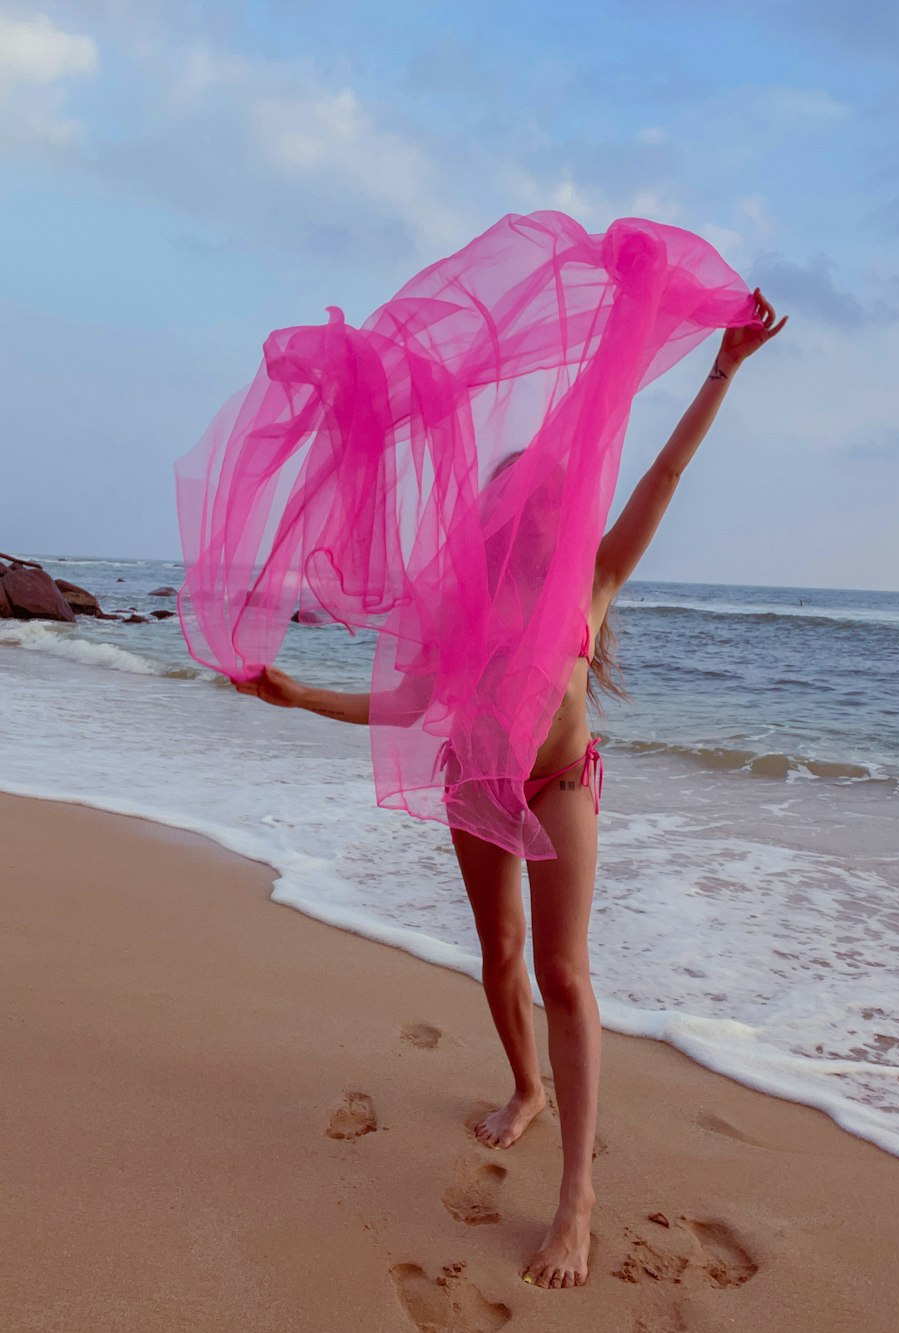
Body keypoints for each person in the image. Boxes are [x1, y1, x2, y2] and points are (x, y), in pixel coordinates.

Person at [235, 290, 787, 1291]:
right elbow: (404, 703)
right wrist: (295, 693)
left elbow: (663, 471)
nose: (522, 506)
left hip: (560, 781)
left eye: (537, 495)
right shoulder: (459, 606)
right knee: (497, 955)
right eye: (506, 496)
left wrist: (723, 369)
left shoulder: (593, 578)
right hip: (472, 782)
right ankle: (526, 1087)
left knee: (564, 975)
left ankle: (575, 1195)